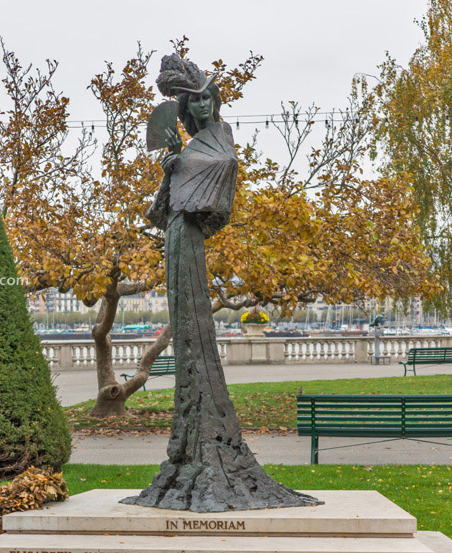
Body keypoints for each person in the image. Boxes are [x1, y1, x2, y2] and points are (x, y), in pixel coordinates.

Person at [122, 54, 320, 512]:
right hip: (177, 234)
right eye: (195, 103)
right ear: (187, 111)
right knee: (186, 325)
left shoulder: (220, 140)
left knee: (195, 326)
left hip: (190, 237)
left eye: (207, 97)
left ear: (214, 100)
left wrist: (180, 167)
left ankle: (210, 443)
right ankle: (193, 446)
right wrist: (172, 166)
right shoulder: (189, 148)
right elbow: (168, 204)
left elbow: (217, 187)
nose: (204, 106)